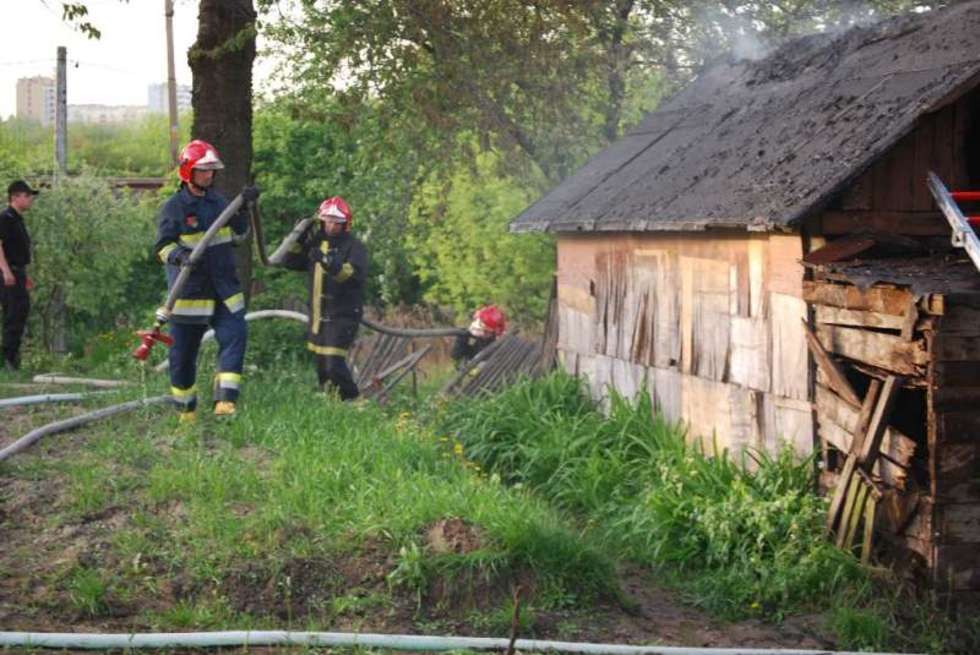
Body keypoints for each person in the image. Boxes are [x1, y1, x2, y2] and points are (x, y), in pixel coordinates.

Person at [154, 139, 257, 421]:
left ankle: (225, 401)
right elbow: (162, 247)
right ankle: (186, 411)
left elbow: (238, 234)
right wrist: (180, 257)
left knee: (235, 338)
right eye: (203, 170)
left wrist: (244, 208)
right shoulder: (174, 208)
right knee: (182, 358)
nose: (209, 175)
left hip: (225, 290)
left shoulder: (220, 202)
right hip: (189, 294)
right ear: (188, 172)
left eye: (212, 170)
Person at [283, 196, 368, 400]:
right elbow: (290, 262)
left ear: (345, 224)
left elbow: (350, 275)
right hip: (318, 316)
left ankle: (354, 400)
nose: (331, 226)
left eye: (336, 222)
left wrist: (328, 262)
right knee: (322, 367)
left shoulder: (354, 247)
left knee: (333, 363)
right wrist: (299, 238)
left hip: (343, 316)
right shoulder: (316, 242)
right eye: (327, 221)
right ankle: (332, 405)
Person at [0, 180, 39, 371]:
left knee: (20, 313)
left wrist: (25, 274)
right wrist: (6, 271)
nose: (30, 199)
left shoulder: (17, 218)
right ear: (15, 197)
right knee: (13, 315)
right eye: (27, 195)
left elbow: (18, 249)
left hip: (18, 272)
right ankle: (8, 361)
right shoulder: (6, 217)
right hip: (9, 273)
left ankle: (13, 359)